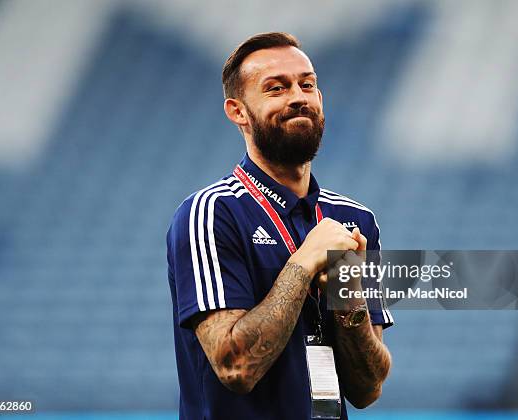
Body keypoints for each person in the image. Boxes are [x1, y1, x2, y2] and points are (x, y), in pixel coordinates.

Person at [166, 32, 393, 420]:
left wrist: (347, 296)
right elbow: (235, 367)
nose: (298, 97)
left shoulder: (356, 221)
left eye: (307, 84)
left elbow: (368, 388)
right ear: (238, 111)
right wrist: (303, 265)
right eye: (276, 88)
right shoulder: (210, 213)